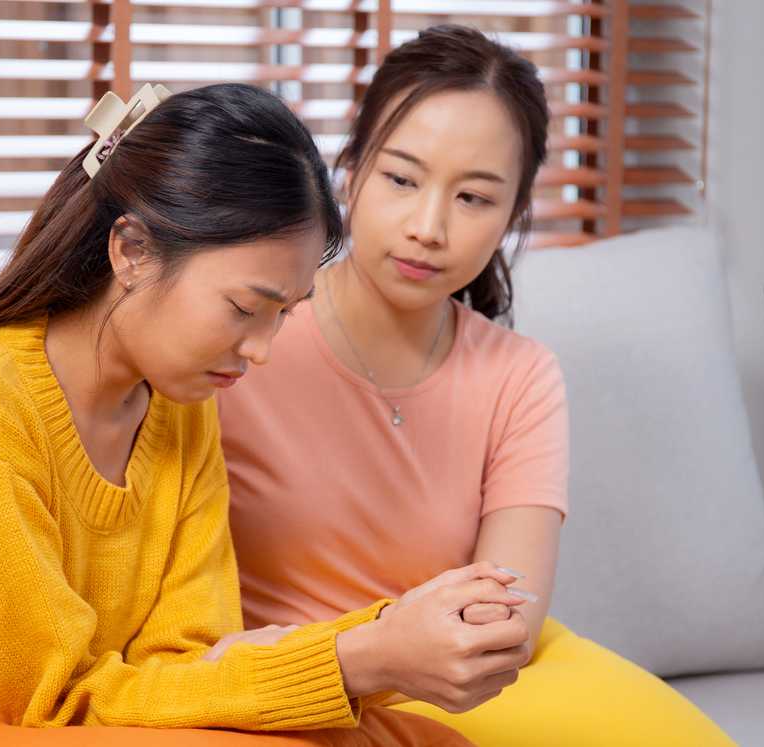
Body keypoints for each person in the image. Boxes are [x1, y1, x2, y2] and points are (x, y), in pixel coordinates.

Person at [0, 82, 522, 747]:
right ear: (132, 251)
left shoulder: (179, 404)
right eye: (247, 307)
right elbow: (61, 691)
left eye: (284, 315)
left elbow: (190, 660)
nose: (261, 351)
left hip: (85, 715)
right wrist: (359, 657)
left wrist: (382, 642)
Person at [217, 26, 737, 747]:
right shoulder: (242, 335)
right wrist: (371, 654)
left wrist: (441, 649)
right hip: (293, 686)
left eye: (474, 198)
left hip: (471, 684)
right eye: (401, 179)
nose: (429, 227)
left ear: (513, 214)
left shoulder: (520, 375)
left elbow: (507, 622)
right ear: (352, 168)